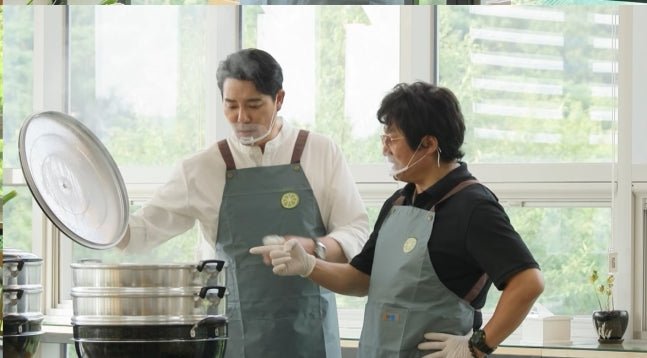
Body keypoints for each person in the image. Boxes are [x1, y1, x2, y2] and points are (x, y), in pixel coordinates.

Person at [250, 82, 545, 358]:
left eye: (392, 138)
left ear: (428, 144)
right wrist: (309, 265)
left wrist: (477, 346)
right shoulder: (399, 202)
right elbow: (360, 279)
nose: (384, 149)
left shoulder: (473, 206)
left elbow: (528, 283)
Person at [117, 48, 370, 358]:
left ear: (279, 99)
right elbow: (138, 234)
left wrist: (311, 249)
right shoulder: (201, 168)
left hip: (311, 335)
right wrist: (91, 212)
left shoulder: (320, 151)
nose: (241, 118)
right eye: (231, 105)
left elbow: (356, 230)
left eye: (253, 105)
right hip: (234, 336)